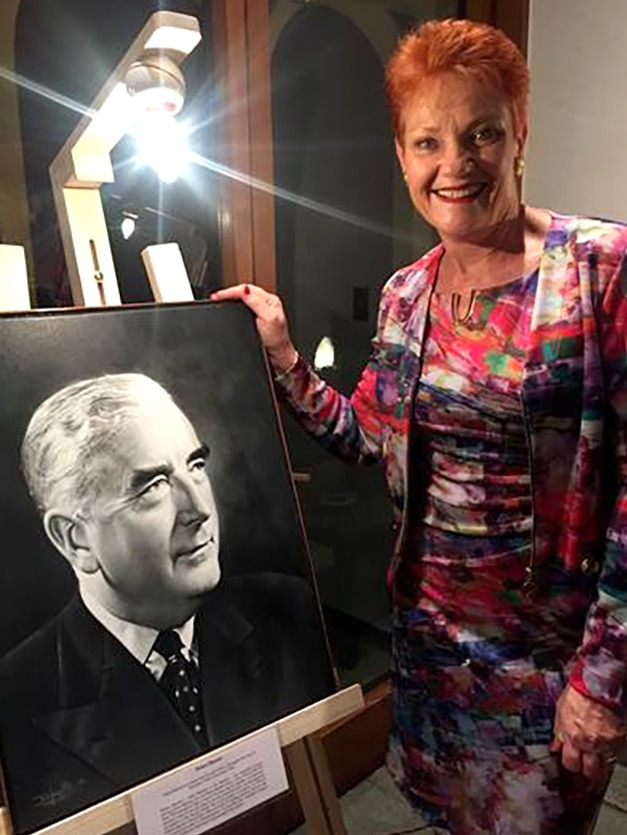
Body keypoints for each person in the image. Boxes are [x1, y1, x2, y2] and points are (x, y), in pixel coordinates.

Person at [210, 17, 627, 835]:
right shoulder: (407, 294)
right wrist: (286, 356)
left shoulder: (598, 272)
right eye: (427, 141)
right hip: (430, 647)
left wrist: (602, 679)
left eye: (480, 134)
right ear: (401, 156)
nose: (454, 165)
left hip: (545, 661)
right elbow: (368, 437)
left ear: (518, 135)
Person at [0, 373, 332, 835]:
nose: (199, 508)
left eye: (195, 466)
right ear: (75, 539)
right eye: (152, 487)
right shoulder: (14, 696)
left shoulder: (285, 607)